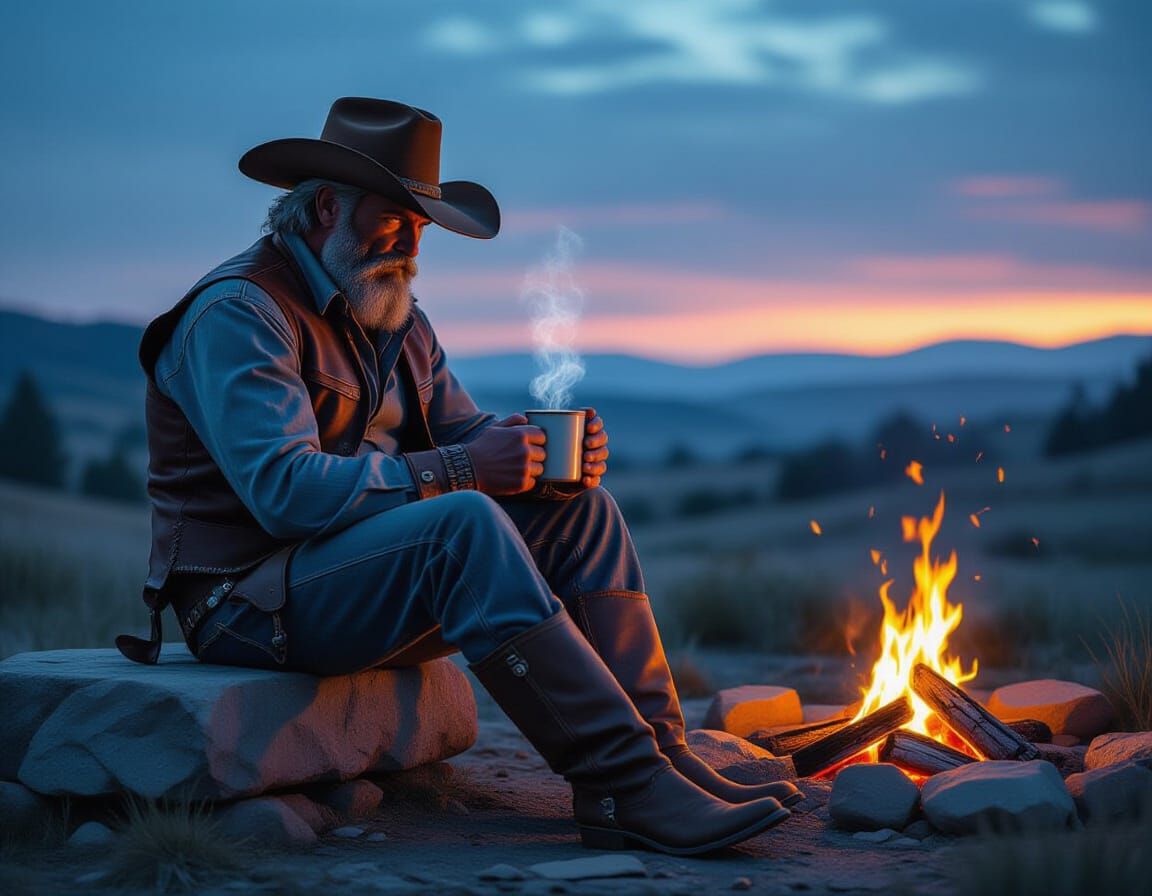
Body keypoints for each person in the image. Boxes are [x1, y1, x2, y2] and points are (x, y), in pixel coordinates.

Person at [117, 97, 797, 855]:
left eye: (422, 224)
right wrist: (470, 468)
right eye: (395, 218)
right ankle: (622, 785)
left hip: (343, 577)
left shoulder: (391, 311)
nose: (412, 241)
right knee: (462, 524)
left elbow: (460, 431)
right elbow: (284, 493)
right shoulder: (239, 315)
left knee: (583, 511)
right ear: (327, 207)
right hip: (246, 602)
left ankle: (664, 759)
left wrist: (538, 453)